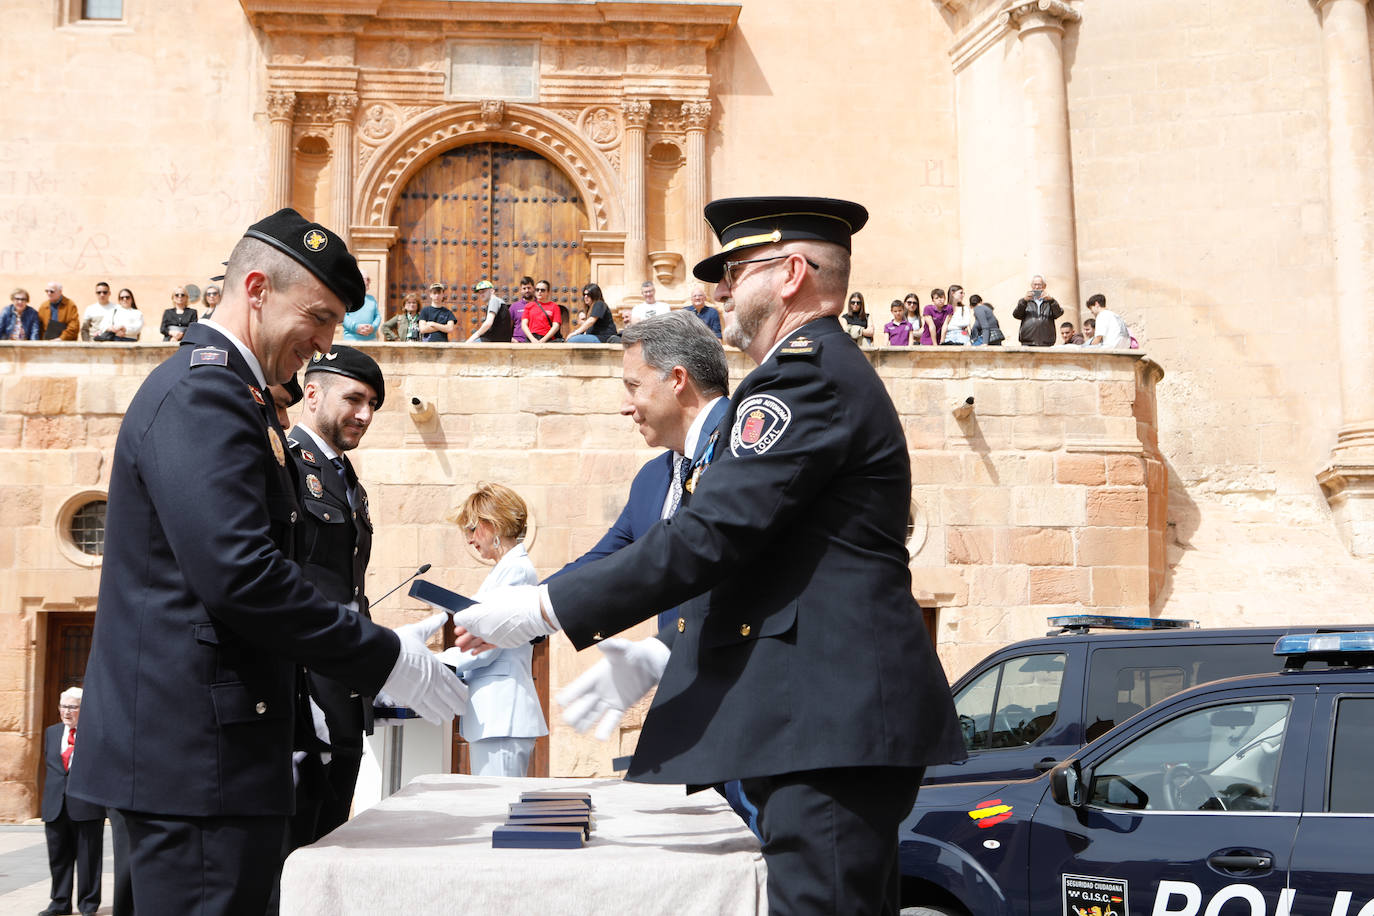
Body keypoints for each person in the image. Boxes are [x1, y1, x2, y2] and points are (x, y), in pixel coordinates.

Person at [451, 196, 965, 915]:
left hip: (824, 726)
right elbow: (749, 555)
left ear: (790, 274)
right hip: (818, 722)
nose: (719, 290)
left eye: (734, 270)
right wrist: (665, 655)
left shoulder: (805, 378)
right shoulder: (810, 375)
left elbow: (711, 536)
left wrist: (540, 607)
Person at [66, 208, 466, 916]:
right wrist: (384, 658)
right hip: (194, 763)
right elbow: (241, 575)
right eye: (317, 316)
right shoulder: (204, 395)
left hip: (214, 758)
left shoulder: (236, 398)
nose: (323, 341)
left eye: (337, 323)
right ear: (256, 288)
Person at [550, 309, 732, 633]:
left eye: (634, 386)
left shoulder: (747, 446)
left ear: (677, 379)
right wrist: (521, 612)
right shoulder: (652, 478)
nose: (625, 406)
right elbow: (604, 564)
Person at [284, 346, 386, 848]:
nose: (364, 415)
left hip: (343, 678)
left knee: (332, 833)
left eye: (372, 405)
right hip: (301, 684)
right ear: (312, 393)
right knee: (297, 838)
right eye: (354, 399)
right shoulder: (282, 461)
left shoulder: (348, 480)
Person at [435, 483, 548, 776]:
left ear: (493, 524)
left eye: (472, 529)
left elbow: (489, 643)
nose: (469, 540)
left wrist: (435, 663)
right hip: (493, 714)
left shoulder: (516, 570)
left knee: (499, 809)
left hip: (503, 712)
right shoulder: (504, 570)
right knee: (493, 810)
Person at [40, 688, 104, 916]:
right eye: (63, 706)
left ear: (83, 709)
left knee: (89, 860)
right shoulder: (51, 732)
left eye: (73, 707)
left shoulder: (94, 734)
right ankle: (59, 903)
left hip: (86, 807)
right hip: (55, 807)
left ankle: (88, 904)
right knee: (58, 858)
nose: (66, 712)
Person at [1012, 274, 1064, 346]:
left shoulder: (1050, 302)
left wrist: (1051, 301)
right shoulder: (1025, 301)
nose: (1036, 287)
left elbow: (1058, 313)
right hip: (1028, 342)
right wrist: (1024, 301)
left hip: (1046, 342)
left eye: (1039, 285)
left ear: (1044, 286)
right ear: (1031, 286)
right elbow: (1016, 315)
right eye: (1034, 285)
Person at [341, 275, 379, 341]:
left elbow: (377, 316)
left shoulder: (372, 299)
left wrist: (373, 327)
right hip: (351, 340)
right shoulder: (348, 298)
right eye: (366, 279)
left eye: (369, 279)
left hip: (371, 340)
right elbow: (342, 315)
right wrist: (356, 327)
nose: (368, 281)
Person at [508, 276, 535, 343]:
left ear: (533, 288)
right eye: (524, 288)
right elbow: (507, 327)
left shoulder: (539, 305)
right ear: (521, 290)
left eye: (529, 288)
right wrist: (511, 339)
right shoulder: (514, 307)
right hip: (518, 342)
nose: (527, 290)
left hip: (536, 342)